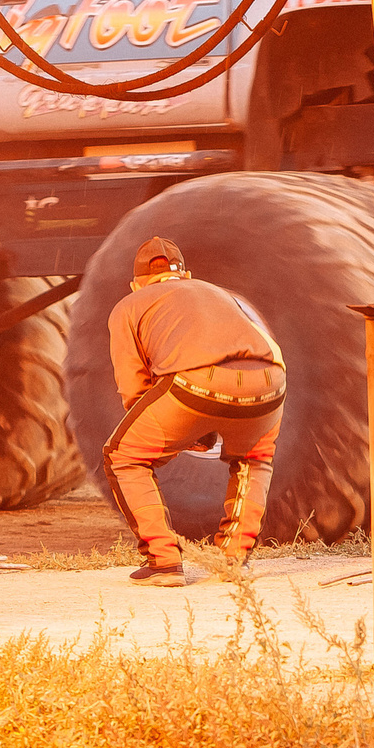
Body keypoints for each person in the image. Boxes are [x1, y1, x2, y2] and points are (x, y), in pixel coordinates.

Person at [104, 238, 286, 585]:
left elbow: (134, 387)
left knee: (124, 456)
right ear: (185, 275)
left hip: (197, 382)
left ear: (137, 282)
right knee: (254, 458)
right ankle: (234, 560)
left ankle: (163, 562)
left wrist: (183, 429)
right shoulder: (223, 293)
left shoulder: (130, 304)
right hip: (272, 381)